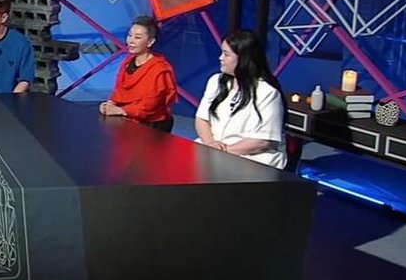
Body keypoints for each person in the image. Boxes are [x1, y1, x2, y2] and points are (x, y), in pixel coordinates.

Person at [194, 29, 287, 169]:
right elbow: (202, 119)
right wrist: (210, 143)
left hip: (252, 159)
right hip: (213, 150)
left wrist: (224, 150)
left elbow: (262, 141)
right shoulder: (215, 81)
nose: (220, 58)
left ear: (244, 59)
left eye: (226, 54)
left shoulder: (267, 92)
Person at [99, 14, 177, 131]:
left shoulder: (159, 69)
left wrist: (121, 110)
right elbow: (119, 92)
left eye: (138, 37)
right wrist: (109, 104)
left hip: (152, 126)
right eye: (130, 35)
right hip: (127, 120)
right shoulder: (127, 62)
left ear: (150, 42)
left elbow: (150, 106)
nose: (131, 41)